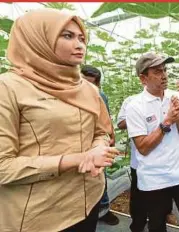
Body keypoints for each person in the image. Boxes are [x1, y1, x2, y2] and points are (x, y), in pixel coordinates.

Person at [0, 9, 119, 232]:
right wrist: (77, 159)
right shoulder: (7, 87)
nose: (80, 44)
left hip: (88, 200)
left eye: (82, 38)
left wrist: (97, 148)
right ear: (37, 39)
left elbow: (102, 131)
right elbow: (3, 167)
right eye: (67, 36)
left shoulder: (88, 89)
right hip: (42, 215)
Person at [125, 52, 179, 232]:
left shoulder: (176, 97)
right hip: (154, 179)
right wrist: (167, 121)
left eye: (165, 70)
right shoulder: (135, 106)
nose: (164, 75)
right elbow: (143, 148)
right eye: (157, 72)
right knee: (157, 225)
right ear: (143, 78)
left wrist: (177, 118)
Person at [81, 65, 119, 226]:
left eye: (92, 84)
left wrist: (111, 135)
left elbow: (106, 119)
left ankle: (103, 209)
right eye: (84, 82)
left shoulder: (101, 96)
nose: (87, 87)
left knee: (99, 176)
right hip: (76, 146)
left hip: (96, 143)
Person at [117, 94, 148, 232]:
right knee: (138, 196)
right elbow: (120, 124)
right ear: (143, 78)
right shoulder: (131, 101)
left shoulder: (167, 100)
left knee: (161, 197)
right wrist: (137, 116)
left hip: (163, 162)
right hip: (139, 160)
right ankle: (137, 226)